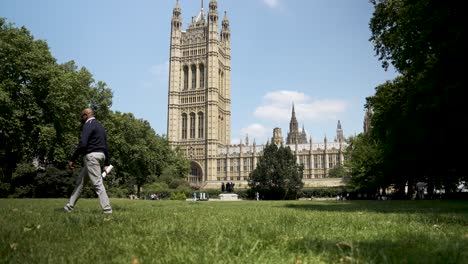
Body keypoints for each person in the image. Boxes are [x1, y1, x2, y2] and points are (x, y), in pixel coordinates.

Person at [64, 108, 113, 214]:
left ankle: (107, 210)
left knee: (97, 183)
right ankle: (69, 207)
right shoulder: (101, 127)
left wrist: (73, 159)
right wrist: (106, 164)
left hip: (92, 157)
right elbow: (105, 146)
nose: (81, 119)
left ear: (86, 115)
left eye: (82, 116)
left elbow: (83, 143)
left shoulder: (88, 124)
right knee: (80, 182)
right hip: (101, 156)